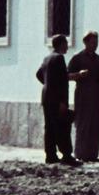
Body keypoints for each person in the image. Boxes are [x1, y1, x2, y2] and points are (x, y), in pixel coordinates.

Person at [34, 34, 80, 166]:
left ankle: (51, 155)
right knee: (62, 127)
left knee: (49, 127)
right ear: (61, 44)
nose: (67, 46)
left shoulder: (47, 58)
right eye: (65, 43)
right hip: (56, 99)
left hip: (46, 97)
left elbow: (38, 74)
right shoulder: (59, 58)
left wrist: (47, 84)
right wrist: (62, 102)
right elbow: (61, 82)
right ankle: (66, 155)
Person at [67, 31, 99, 162]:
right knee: (83, 123)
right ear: (85, 42)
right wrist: (79, 74)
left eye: (97, 43)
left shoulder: (98, 58)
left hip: (96, 95)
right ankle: (80, 154)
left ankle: (93, 155)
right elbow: (67, 75)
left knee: (95, 124)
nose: (95, 45)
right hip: (83, 95)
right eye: (92, 42)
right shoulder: (77, 57)